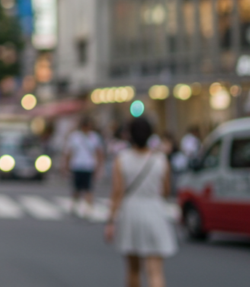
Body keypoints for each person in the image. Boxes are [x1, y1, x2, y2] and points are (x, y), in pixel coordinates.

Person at [105, 117, 177, 287]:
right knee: (155, 270)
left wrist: (110, 221)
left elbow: (117, 192)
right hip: (154, 211)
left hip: (131, 212)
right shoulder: (160, 160)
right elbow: (166, 191)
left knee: (133, 269)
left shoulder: (121, 159)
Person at [63, 116, 104, 217]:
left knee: (88, 189)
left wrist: (99, 166)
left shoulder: (94, 137)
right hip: (77, 165)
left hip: (89, 166)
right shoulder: (75, 136)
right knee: (76, 188)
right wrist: (66, 165)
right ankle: (75, 206)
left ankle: (88, 209)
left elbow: (99, 153)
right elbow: (69, 152)